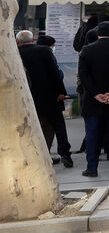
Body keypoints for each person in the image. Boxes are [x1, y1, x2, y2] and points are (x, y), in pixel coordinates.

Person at [78, 22, 109, 176]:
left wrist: (95, 94)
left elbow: (83, 75)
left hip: (93, 101)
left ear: (98, 33)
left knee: (92, 135)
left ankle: (92, 168)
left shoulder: (86, 50)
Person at [18, 30, 72, 168]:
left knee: (35, 128)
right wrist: (61, 92)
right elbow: (54, 73)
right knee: (59, 126)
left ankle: (39, 156)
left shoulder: (15, 53)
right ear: (33, 39)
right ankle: (65, 154)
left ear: (18, 41)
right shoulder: (44, 51)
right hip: (50, 97)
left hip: (27, 98)